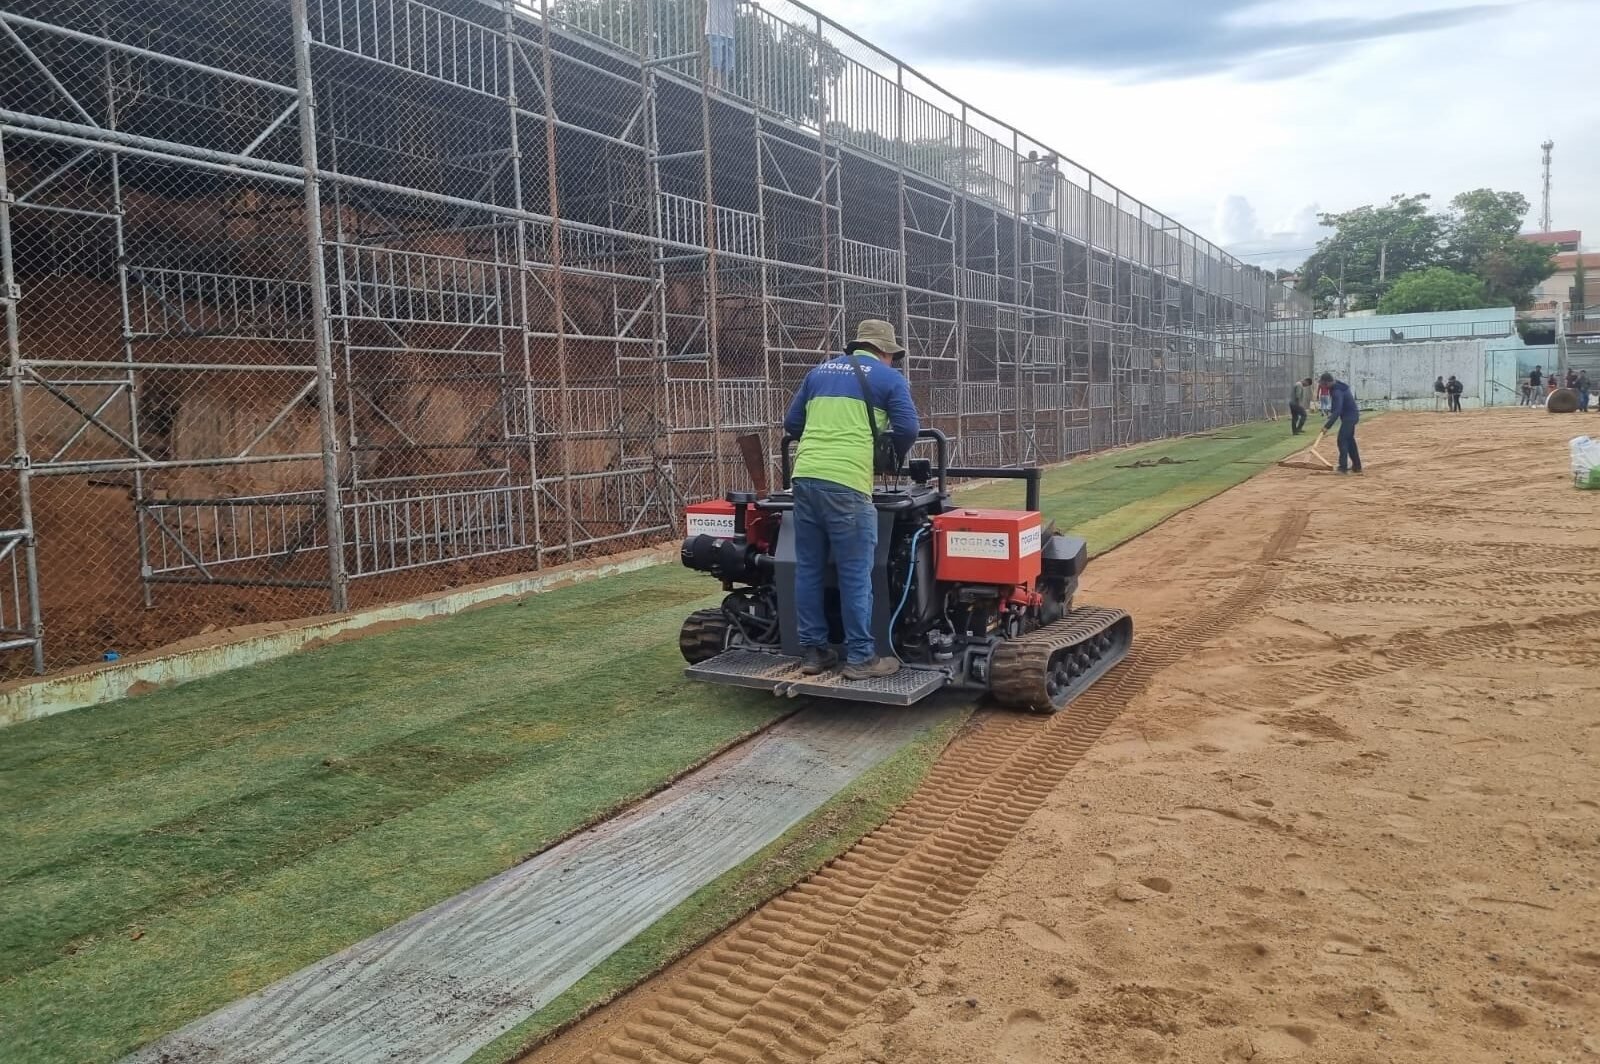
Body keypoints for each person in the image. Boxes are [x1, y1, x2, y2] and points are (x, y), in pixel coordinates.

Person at [784, 319, 919, 681]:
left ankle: (814, 651)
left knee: (809, 567)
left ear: (857, 345)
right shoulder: (889, 379)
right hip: (846, 483)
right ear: (886, 352)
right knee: (856, 573)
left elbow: (793, 424)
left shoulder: (818, 372)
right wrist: (886, 456)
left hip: (805, 477)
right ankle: (861, 657)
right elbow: (907, 428)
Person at [1319, 371, 1361, 474]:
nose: (1323, 386)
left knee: (1341, 439)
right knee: (1350, 441)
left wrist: (1327, 426)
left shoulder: (1337, 391)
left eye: (1323, 384)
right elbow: (1337, 407)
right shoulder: (1336, 386)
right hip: (1351, 416)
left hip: (1349, 417)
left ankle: (1343, 468)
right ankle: (1357, 466)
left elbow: (1337, 410)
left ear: (1327, 383)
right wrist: (1331, 414)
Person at [705, 0, 736, 88]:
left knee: (727, 67)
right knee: (716, 63)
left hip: (729, 34)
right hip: (714, 30)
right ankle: (711, 88)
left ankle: (720, 91)